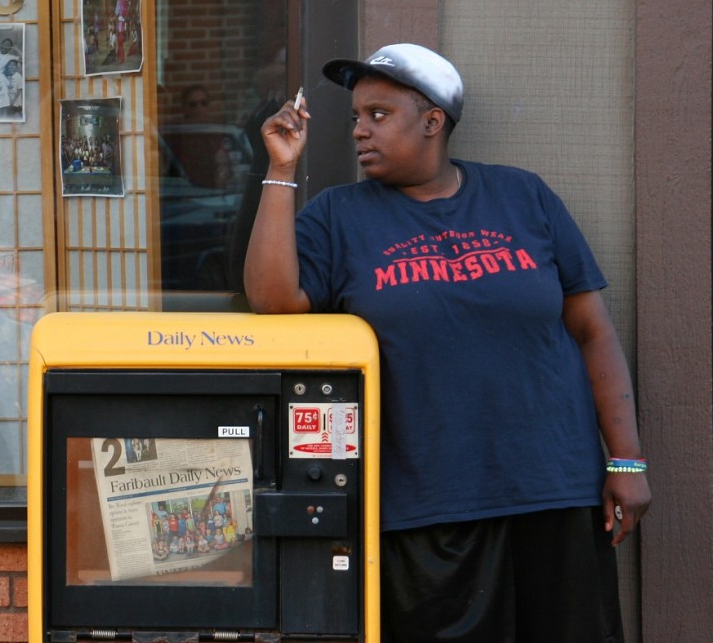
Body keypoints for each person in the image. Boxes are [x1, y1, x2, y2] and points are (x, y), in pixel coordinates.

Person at [244, 43, 651, 642]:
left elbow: (592, 332)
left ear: (432, 121)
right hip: (425, 504)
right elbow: (275, 302)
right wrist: (280, 169)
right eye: (356, 116)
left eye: (378, 115)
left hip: (554, 490)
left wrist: (626, 459)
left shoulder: (523, 197)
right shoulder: (340, 216)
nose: (359, 130)